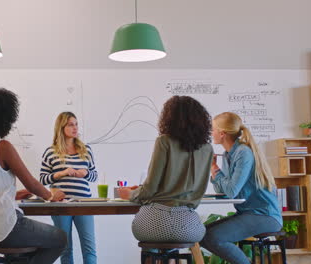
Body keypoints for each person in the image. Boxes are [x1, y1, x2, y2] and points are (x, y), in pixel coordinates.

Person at [0, 88, 67, 264]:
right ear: (5, 118)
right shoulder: (2, 146)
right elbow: (32, 183)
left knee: (22, 254)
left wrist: (14, 195)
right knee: (60, 238)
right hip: (7, 228)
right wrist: (51, 195)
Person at [119, 95, 213, 244]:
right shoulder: (207, 149)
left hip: (157, 222)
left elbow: (150, 189)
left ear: (169, 118)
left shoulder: (164, 142)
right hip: (190, 226)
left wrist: (130, 193)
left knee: (146, 227)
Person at [200, 112, 282, 264]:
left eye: (213, 129)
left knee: (213, 237)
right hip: (249, 213)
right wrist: (213, 168)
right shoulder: (229, 154)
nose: (211, 133)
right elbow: (223, 190)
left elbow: (231, 191)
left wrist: (215, 169)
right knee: (201, 235)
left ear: (222, 133)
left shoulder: (243, 153)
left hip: (265, 215)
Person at [40, 111, 98, 264]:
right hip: (61, 205)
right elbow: (42, 179)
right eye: (71, 124)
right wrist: (61, 174)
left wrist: (85, 173)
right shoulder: (50, 152)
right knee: (65, 250)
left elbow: (94, 176)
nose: (75, 128)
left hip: (84, 204)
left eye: (76, 124)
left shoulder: (86, 150)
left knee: (89, 249)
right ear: (61, 127)